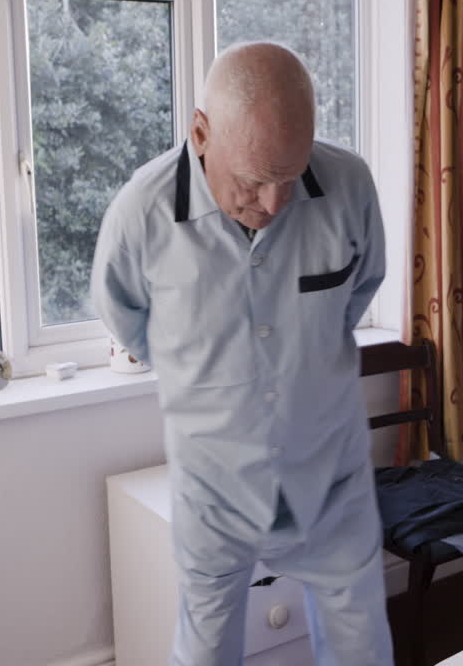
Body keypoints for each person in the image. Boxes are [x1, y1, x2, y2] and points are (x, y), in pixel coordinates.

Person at [90, 42, 392, 665]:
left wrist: (304, 362)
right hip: (214, 488)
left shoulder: (351, 184)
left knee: (361, 647)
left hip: (331, 477)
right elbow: (125, 316)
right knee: (205, 650)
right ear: (201, 133)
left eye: (291, 177)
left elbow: (361, 287)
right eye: (254, 181)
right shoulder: (141, 212)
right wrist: (205, 377)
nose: (275, 204)